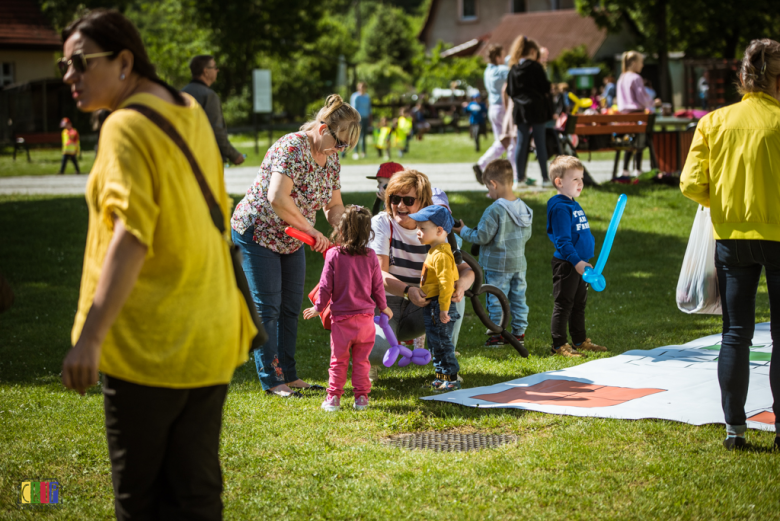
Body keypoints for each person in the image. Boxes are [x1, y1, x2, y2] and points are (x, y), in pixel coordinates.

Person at [58, 9, 257, 520]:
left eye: (80, 63)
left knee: (140, 502)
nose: (69, 77)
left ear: (124, 61)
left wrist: (92, 336)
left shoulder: (124, 125)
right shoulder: (188, 108)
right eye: (67, 66)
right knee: (194, 495)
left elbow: (132, 236)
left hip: (151, 343)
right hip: (209, 331)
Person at [680, 38, 780, 451]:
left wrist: (722, 204)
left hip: (731, 238)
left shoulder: (714, 121)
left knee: (735, 333)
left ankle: (734, 430)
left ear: (742, 77)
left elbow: (690, 184)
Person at [231, 94, 359, 397]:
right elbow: (277, 198)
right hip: (257, 231)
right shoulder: (291, 147)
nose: (339, 150)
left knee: (290, 307)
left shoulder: (331, 158)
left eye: (344, 147)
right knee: (267, 307)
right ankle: (271, 378)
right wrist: (312, 230)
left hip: (292, 235)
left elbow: (333, 204)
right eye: (339, 142)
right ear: (323, 127)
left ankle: (289, 374)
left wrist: (347, 226)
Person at [368, 170, 475, 381]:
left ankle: (445, 366)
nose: (400, 206)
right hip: (385, 305)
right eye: (394, 199)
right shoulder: (381, 223)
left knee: (452, 293)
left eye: (408, 200)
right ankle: (368, 364)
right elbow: (379, 274)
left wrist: (461, 285)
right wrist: (408, 291)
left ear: (423, 202)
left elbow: (466, 271)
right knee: (375, 352)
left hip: (423, 306)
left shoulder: (436, 227)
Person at [303, 205, 391, 412]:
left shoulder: (333, 255)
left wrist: (318, 307)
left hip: (342, 321)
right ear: (367, 232)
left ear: (340, 230)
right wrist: (384, 307)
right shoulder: (370, 256)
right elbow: (378, 285)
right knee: (362, 362)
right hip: (366, 321)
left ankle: (333, 398)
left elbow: (325, 286)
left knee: (338, 361)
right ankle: (361, 398)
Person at [453, 159, 532, 348]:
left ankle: (497, 334)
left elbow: (481, 236)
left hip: (497, 265)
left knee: (497, 298)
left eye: (488, 187)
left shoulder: (495, 210)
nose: (489, 193)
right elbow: (526, 235)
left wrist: (462, 230)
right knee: (519, 298)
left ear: (493, 184)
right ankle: (519, 332)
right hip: (518, 264)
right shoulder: (525, 208)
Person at [546, 156, 607, 357]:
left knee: (579, 304)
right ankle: (559, 345)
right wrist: (576, 262)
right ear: (559, 182)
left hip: (580, 265)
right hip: (567, 264)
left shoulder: (572, 203)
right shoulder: (560, 207)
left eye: (581, 178)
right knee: (564, 304)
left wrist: (582, 262)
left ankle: (580, 341)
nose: (580, 183)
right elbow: (562, 241)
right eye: (575, 179)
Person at [407, 205, 461, 391]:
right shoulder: (434, 251)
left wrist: (444, 309)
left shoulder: (441, 255)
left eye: (422, 228)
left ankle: (451, 378)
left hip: (440, 304)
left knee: (443, 342)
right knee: (435, 341)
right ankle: (440, 377)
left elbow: (447, 284)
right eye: (418, 228)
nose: (418, 232)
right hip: (434, 304)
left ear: (439, 230)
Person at [506, 35, 553, 188]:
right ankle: (545, 179)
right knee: (540, 143)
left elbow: (510, 91)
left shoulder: (513, 69)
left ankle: (519, 179)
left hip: (520, 110)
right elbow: (545, 88)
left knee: (521, 142)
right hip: (537, 108)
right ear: (533, 51)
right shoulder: (536, 67)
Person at [182, 55, 245, 166]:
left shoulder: (181, 94)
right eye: (215, 67)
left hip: (184, 156)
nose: (217, 70)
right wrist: (233, 155)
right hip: (206, 160)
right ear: (206, 71)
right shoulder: (209, 96)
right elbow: (216, 131)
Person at [473, 44, 511, 184]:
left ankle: (486, 167)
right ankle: (512, 174)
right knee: (509, 141)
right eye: (502, 55)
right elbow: (511, 70)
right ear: (497, 57)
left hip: (493, 107)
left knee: (500, 142)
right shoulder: (501, 70)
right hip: (503, 107)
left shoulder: (488, 71)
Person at [616, 51, 658, 176]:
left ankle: (625, 169)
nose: (642, 65)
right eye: (641, 62)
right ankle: (638, 169)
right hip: (637, 114)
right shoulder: (636, 78)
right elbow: (642, 98)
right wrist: (653, 102)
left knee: (630, 141)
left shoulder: (621, 78)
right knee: (640, 141)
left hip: (625, 116)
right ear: (633, 63)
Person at [350, 82, 371, 159]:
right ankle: (355, 152)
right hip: (358, 118)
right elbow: (353, 108)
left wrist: (370, 118)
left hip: (365, 118)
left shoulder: (367, 97)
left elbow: (369, 108)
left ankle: (363, 152)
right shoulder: (355, 96)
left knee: (364, 136)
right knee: (357, 136)